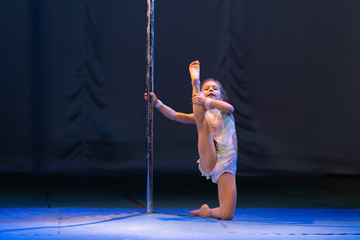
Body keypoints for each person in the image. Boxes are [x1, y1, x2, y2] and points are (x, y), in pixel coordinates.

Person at [145, 61, 237, 220]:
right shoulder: (201, 116)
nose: (211, 90)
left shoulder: (225, 112)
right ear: (200, 94)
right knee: (203, 125)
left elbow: (230, 108)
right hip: (210, 159)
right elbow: (174, 115)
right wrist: (157, 103)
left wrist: (206, 101)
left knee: (226, 214)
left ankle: (205, 211)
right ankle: (195, 82)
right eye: (206, 89)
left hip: (227, 165)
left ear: (221, 96)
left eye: (215, 89)